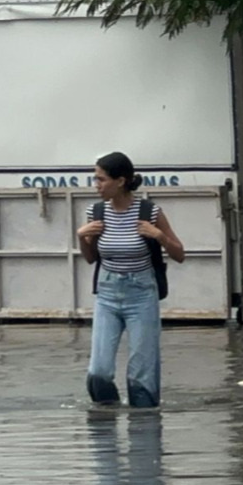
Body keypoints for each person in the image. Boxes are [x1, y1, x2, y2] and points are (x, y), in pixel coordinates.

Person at [75, 152, 186, 408]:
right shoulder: (97, 212)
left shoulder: (150, 211)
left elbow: (179, 254)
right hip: (107, 294)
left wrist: (159, 236)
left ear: (121, 181)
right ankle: (106, 423)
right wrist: (82, 237)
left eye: (101, 180)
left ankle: (144, 432)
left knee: (141, 377)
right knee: (98, 372)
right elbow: (91, 259)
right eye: (95, 180)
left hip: (142, 294)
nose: (97, 186)